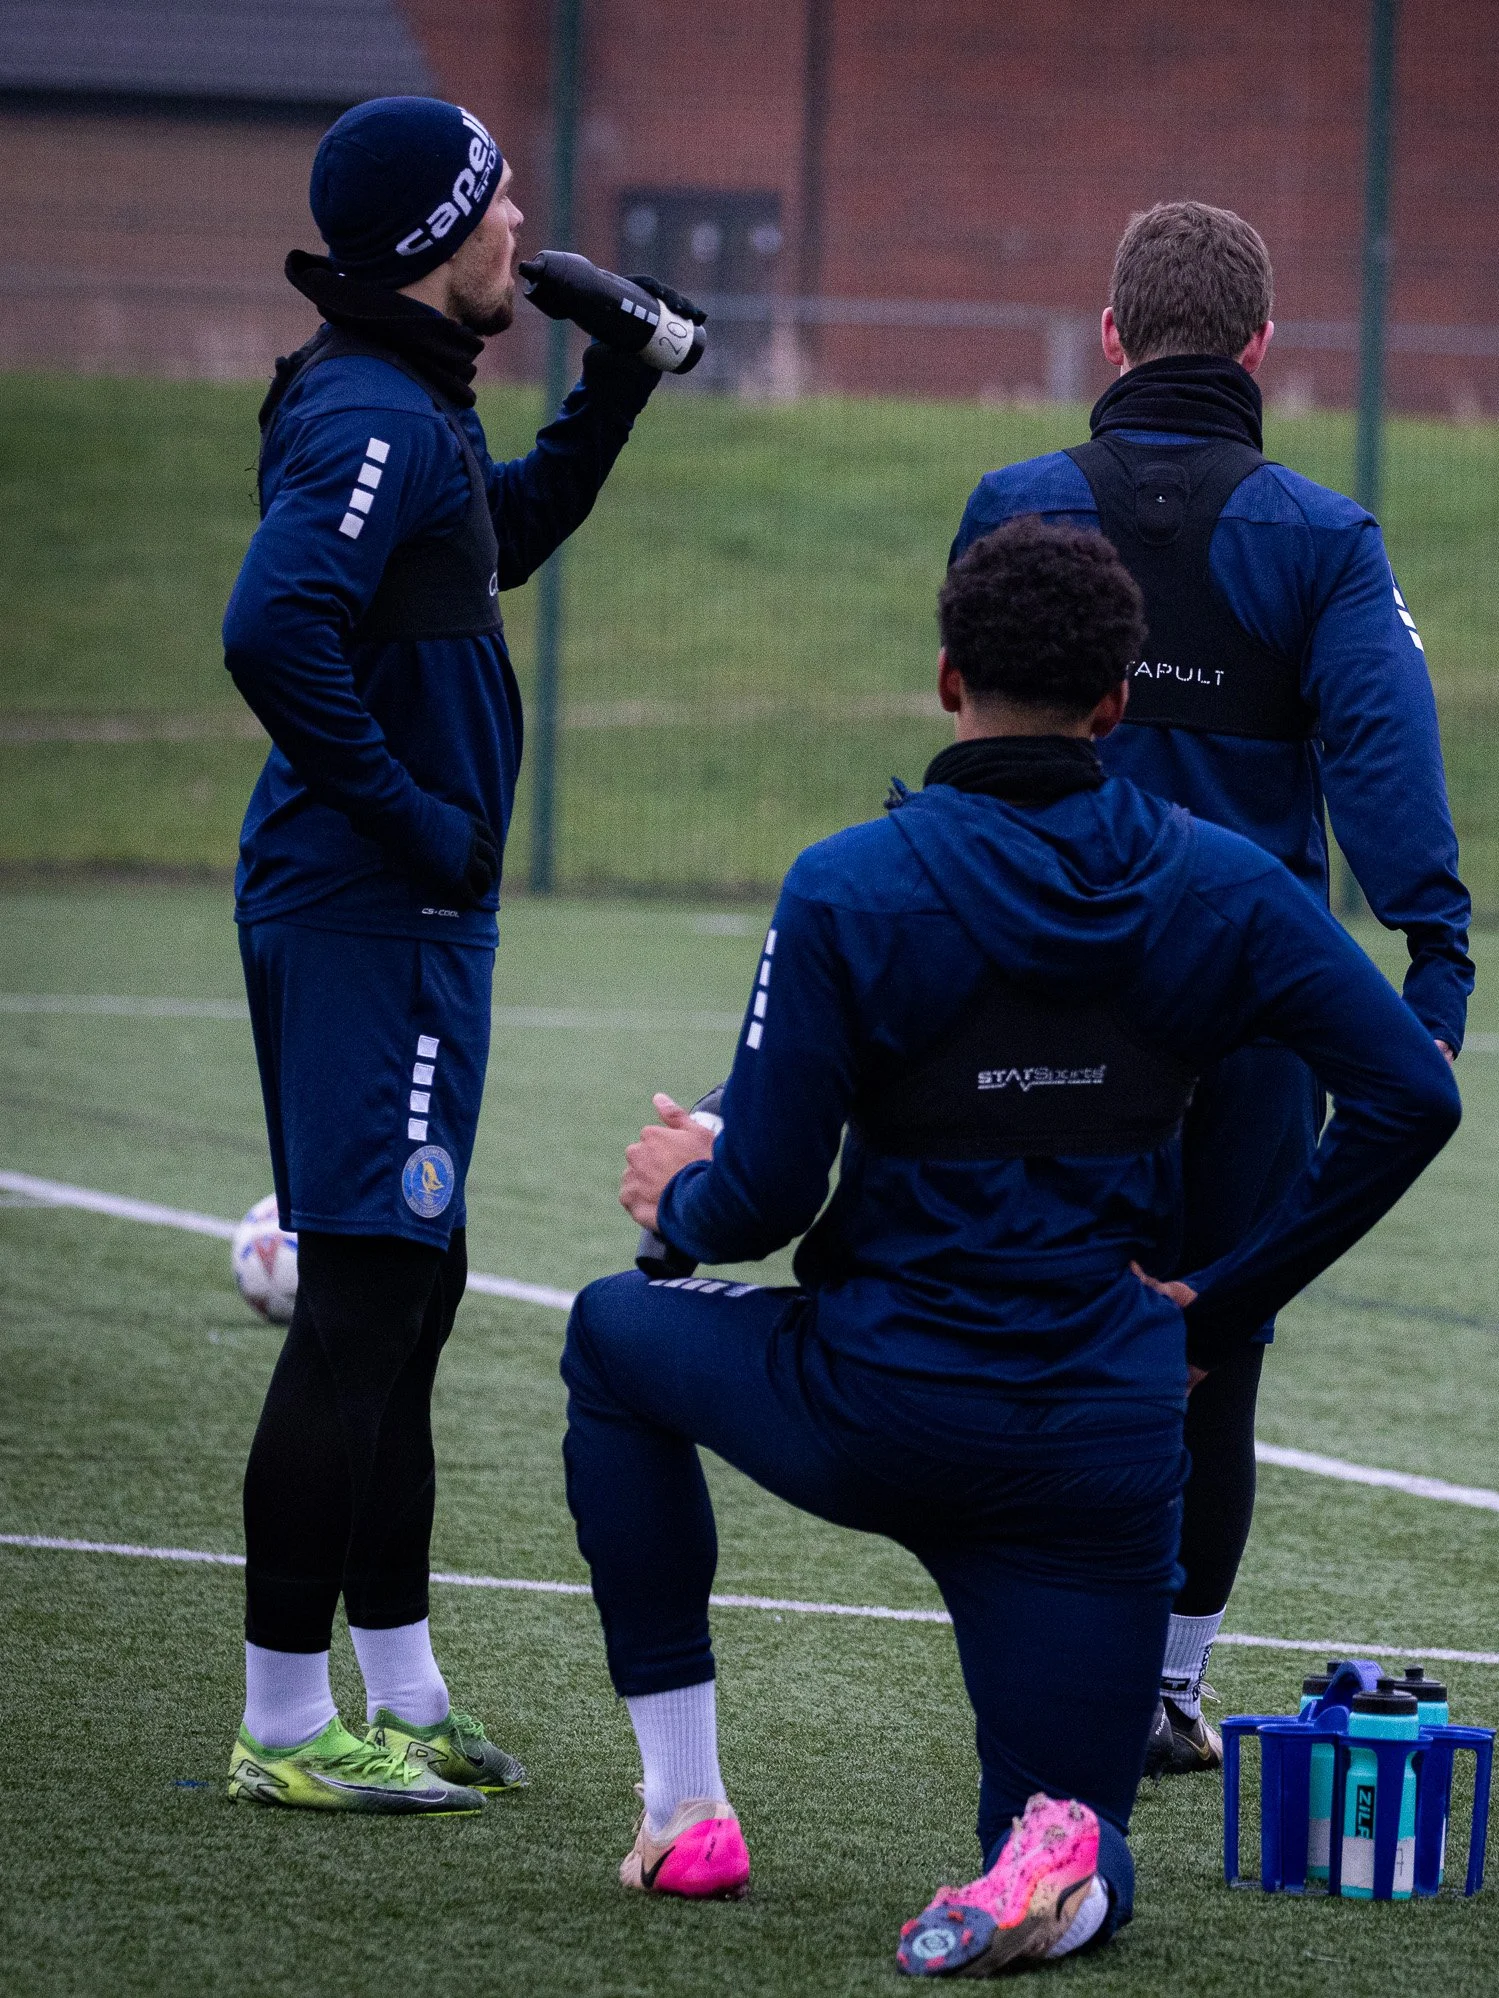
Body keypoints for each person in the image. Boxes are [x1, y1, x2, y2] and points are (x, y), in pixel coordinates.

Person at [562, 518, 1460, 1974]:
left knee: (612, 1337)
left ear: (946, 677)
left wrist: (680, 1195)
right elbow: (1414, 1094)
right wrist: (1219, 1307)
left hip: (871, 1399)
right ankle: (1058, 1865)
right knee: (1072, 1833)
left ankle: (687, 1808)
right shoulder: (1225, 883)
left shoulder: (846, 883)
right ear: (1119, 703)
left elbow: (769, 1196)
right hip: (1098, 1441)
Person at [950, 201, 1474, 1774]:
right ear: (1260, 348)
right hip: (1241, 1024)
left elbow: (979, 748)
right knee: (1208, 1348)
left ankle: (1045, 1666)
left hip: (1043, 1006)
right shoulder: (1322, 538)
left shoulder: (1017, 501)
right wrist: (1433, 962)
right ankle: (1168, 1684)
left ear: (1111, 337)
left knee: (1041, 1324)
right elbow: (1387, 773)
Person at [221, 96, 690, 1813]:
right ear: (441, 234)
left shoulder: (410, 400)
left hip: (398, 915)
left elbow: (491, 540)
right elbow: (274, 627)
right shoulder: (364, 408)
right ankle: (285, 1724)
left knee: (406, 1297)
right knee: (359, 1303)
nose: (526, 238)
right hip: (368, 909)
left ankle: (401, 1686)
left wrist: (615, 387)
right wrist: (420, 819)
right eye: (501, 215)